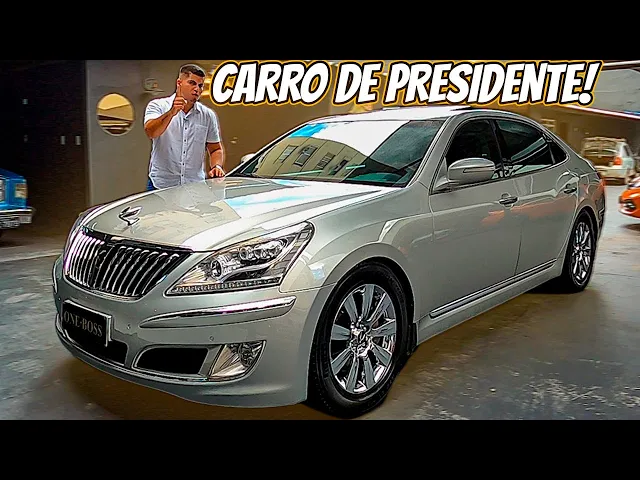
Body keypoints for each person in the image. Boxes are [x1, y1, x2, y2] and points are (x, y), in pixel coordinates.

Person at [143, 63, 225, 191]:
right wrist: (171, 113)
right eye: (192, 83)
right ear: (179, 83)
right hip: (161, 186)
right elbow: (151, 132)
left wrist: (216, 166)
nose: (197, 89)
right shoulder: (158, 106)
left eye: (200, 85)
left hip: (194, 187)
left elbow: (215, 149)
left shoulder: (208, 115)